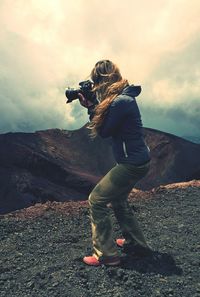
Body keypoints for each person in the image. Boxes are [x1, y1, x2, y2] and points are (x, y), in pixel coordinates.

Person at [78, 59, 152, 266]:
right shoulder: (123, 97)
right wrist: (94, 106)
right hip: (138, 161)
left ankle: (106, 255)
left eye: (95, 81)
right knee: (118, 200)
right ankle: (137, 244)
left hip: (131, 164)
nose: (94, 86)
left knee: (97, 200)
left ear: (102, 80)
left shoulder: (120, 102)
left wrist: (91, 106)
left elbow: (104, 131)